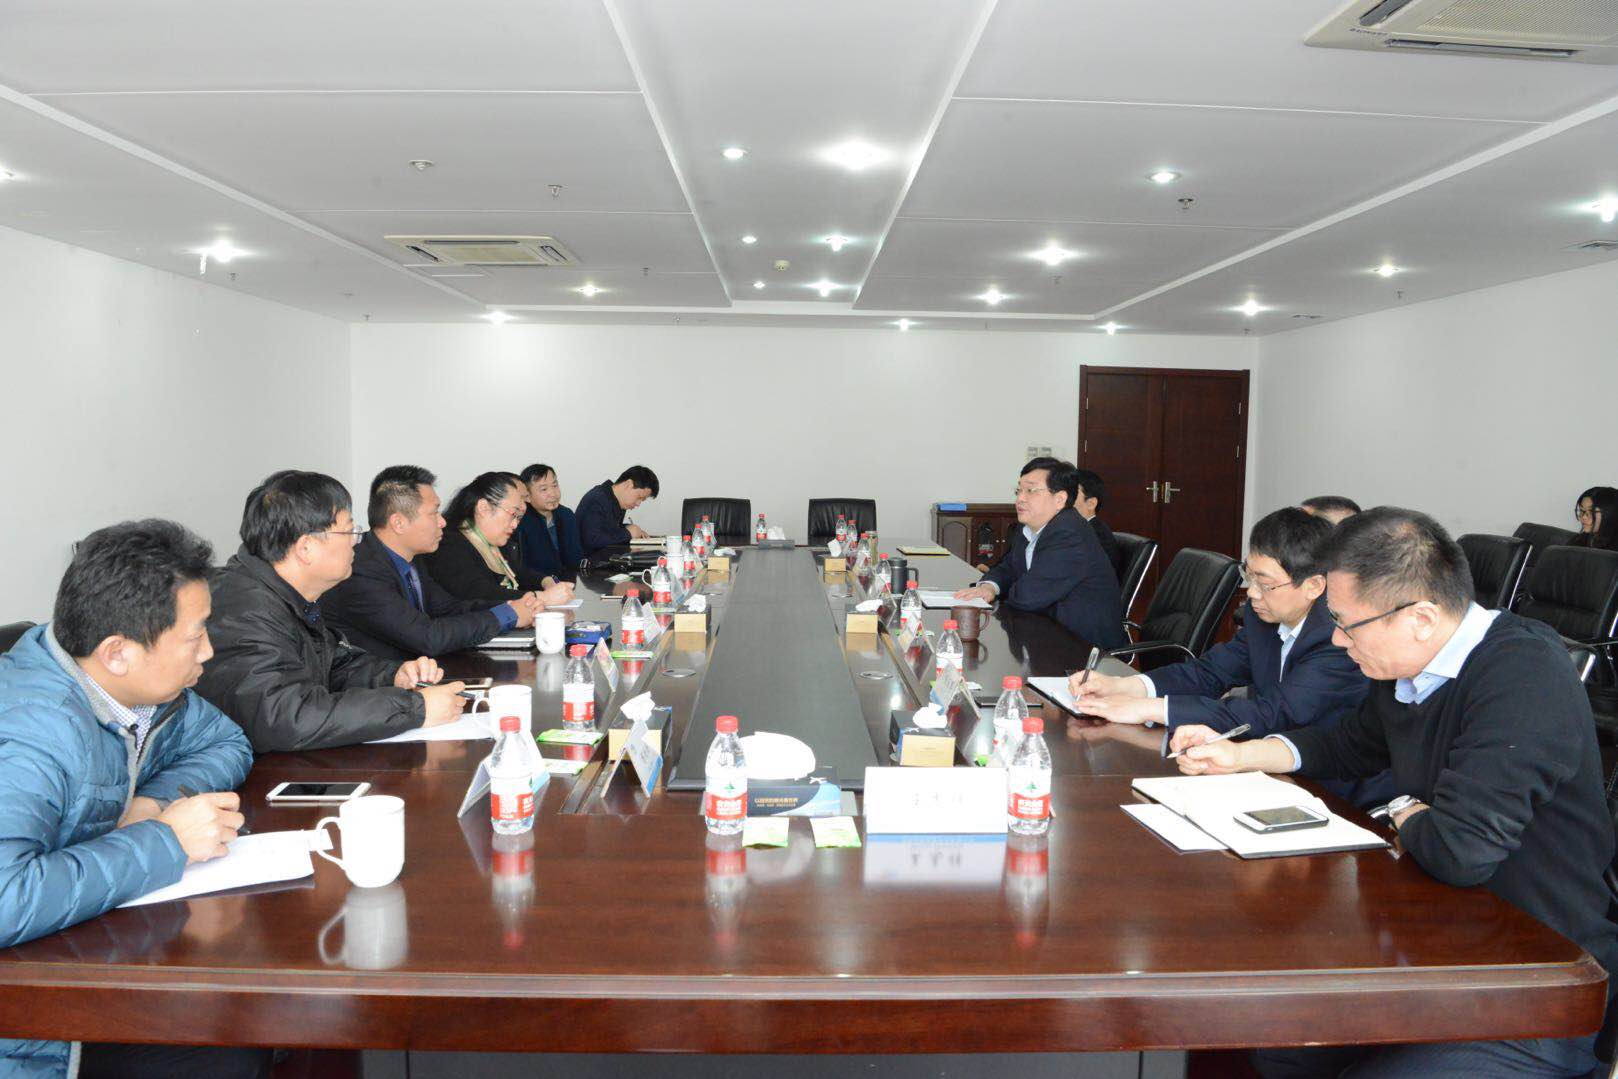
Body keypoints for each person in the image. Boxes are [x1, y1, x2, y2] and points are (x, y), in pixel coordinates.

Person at [1172, 507, 1618, 1079]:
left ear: (1422, 619)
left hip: (1537, 980)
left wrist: (1401, 807)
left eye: (1346, 623)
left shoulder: (1523, 676)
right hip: (1437, 936)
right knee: (1281, 1049)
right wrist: (1239, 755)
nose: (1337, 639)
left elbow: (1459, 851)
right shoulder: (1406, 667)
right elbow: (1348, 744)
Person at [0, 520, 266, 1078]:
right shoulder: (31, 735)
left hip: (86, 955)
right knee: (231, 1047)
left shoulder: (136, 687)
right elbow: (5, 898)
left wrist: (151, 801)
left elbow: (226, 741)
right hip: (29, 1022)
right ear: (118, 652)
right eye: (195, 636)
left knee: (250, 1018)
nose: (209, 651)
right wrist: (166, 840)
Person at [1069, 508, 1388, 807]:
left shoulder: (1338, 637)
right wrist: (1126, 687)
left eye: (1265, 584)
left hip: (1338, 791)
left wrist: (1150, 709)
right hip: (1269, 770)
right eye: (1249, 576)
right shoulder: (1264, 614)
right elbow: (1210, 672)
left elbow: (1274, 713)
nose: (1252, 593)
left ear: (1314, 586)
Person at [197, 470, 467, 752]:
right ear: (306, 548)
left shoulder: (285, 592)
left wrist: (394, 675)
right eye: (349, 531)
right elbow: (284, 717)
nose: (356, 541)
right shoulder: (245, 608)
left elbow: (331, 665)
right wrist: (415, 708)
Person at [319, 466, 543, 661]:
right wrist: (506, 616)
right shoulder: (361, 571)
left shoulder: (412, 560)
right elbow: (427, 637)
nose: (443, 521)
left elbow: (449, 609)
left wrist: (514, 607)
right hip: (376, 686)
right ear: (398, 523)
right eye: (434, 513)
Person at [953, 457, 1126, 648]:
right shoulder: (1031, 526)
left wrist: (1007, 588)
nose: (1020, 498)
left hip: (1082, 648)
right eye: (1019, 490)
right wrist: (989, 587)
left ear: (1059, 499)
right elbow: (1008, 567)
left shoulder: (1069, 534)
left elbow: (1027, 597)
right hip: (1045, 635)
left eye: (1031, 491)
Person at [420, 472, 576, 606]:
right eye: (513, 514)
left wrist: (545, 580)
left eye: (518, 518)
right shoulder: (448, 544)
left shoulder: (494, 542)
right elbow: (480, 594)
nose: (515, 524)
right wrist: (541, 597)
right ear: (484, 508)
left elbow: (518, 572)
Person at [513, 463, 583, 583]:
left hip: (568, 583)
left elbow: (575, 558)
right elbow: (521, 568)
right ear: (527, 496)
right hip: (536, 586)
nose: (553, 493)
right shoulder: (520, 522)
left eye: (555, 485)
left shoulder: (566, 514)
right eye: (544, 489)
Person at [575, 465, 660, 558]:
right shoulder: (597, 499)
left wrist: (629, 528)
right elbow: (593, 540)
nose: (638, 504)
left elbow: (607, 529)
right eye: (639, 497)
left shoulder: (616, 501)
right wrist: (628, 533)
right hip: (587, 563)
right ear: (628, 484)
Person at [1072, 467, 1124, 580]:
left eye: (1072, 494)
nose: (1063, 500)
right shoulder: (1077, 529)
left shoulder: (1095, 536)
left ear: (1091, 503)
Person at [1572, 485, 1618, 551]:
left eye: (1592, 511)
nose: (1583, 517)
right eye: (1582, 510)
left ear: (1611, 514)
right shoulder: (1579, 540)